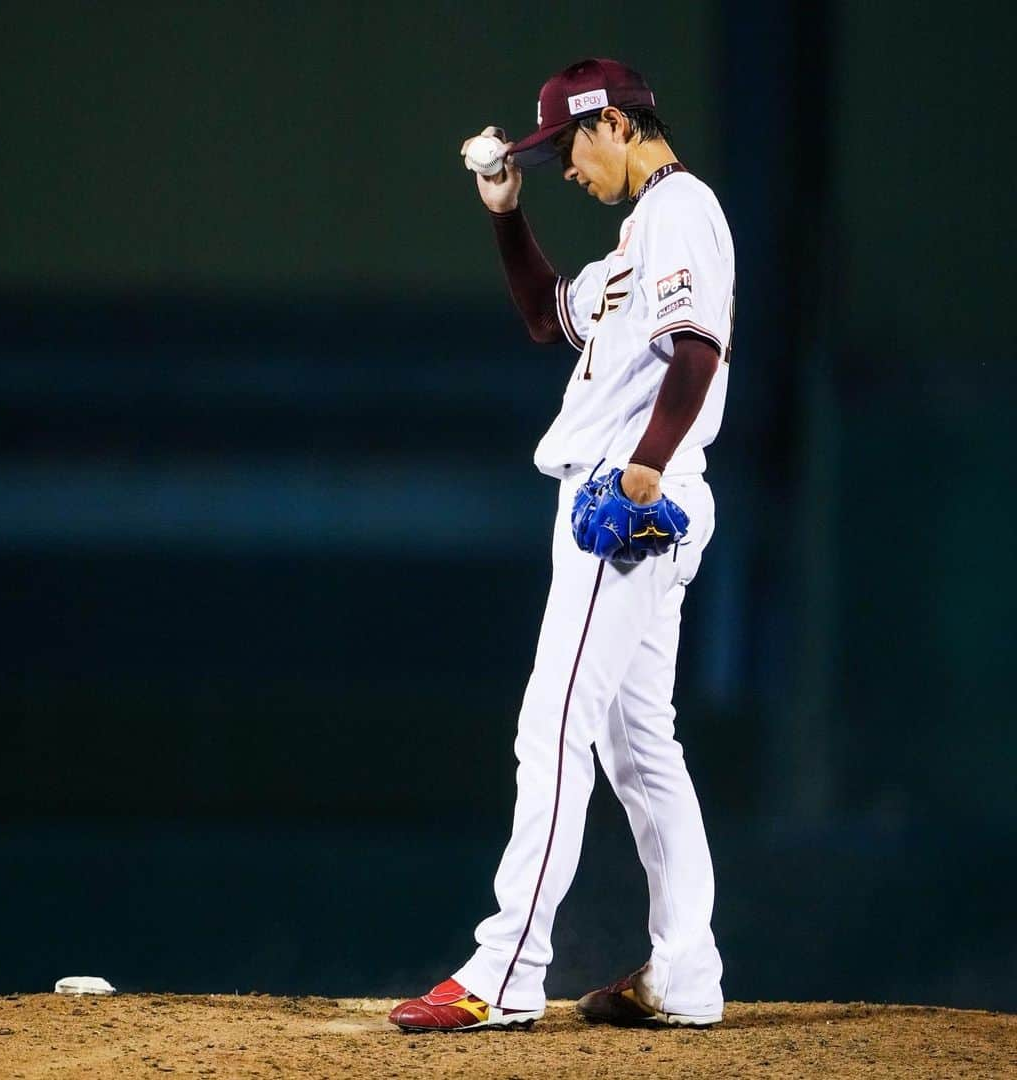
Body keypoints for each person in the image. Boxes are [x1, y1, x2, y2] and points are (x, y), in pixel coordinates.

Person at [389, 58, 735, 1032]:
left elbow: (698, 351)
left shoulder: (682, 208)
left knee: (552, 727)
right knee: (641, 750)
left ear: (616, 123)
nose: (563, 168)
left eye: (566, 147)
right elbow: (549, 317)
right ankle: (686, 972)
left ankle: (506, 971)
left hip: (623, 507)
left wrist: (645, 470)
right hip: (632, 500)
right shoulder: (638, 237)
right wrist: (504, 210)